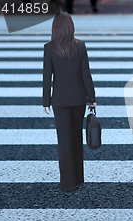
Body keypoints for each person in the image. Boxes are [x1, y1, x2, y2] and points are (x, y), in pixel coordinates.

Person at [43, 11, 96, 192]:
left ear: (55, 28)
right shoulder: (80, 46)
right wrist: (92, 98)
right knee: (76, 137)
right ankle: (79, 177)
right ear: (70, 27)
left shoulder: (49, 48)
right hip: (79, 98)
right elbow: (86, 75)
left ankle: (67, 182)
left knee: (64, 140)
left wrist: (45, 101)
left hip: (59, 100)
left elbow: (47, 77)